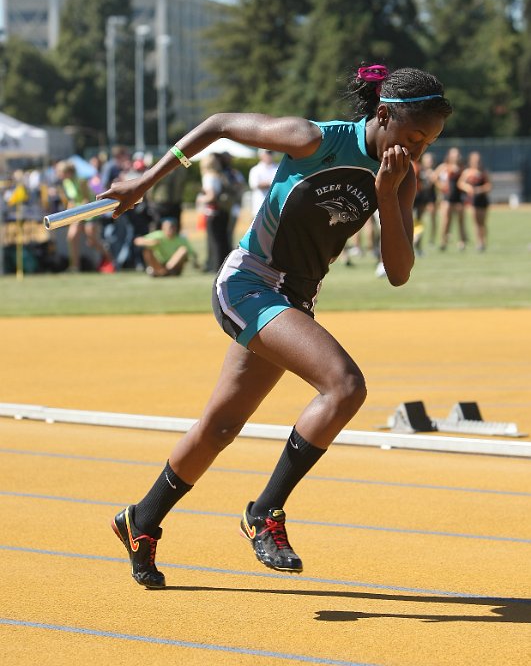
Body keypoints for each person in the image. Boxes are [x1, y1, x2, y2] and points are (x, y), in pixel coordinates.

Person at [98, 63, 452, 588]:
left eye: (429, 142)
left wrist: (388, 194)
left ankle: (141, 520)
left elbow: (398, 273)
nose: (418, 149)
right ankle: (265, 513)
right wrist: (146, 181)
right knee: (344, 385)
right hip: (248, 283)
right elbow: (219, 123)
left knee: (221, 426)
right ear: (384, 114)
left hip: (294, 299)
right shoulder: (313, 140)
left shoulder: (402, 177)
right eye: (414, 136)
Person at [59, 161, 114, 272]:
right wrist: (68, 214)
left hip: (89, 211)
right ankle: (75, 266)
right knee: (72, 237)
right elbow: (72, 200)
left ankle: (111, 261)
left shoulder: (81, 180)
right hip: (77, 212)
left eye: (61, 172)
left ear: (68, 172)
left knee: (92, 241)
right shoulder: (66, 182)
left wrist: (79, 212)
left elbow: (86, 199)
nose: (59, 175)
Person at [197, 153, 233, 273]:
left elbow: (211, 196)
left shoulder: (208, 177)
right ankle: (224, 265)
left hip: (213, 212)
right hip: (223, 211)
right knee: (223, 240)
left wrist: (200, 199)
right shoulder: (220, 175)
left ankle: (216, 266)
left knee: (215, 240)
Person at [134, 217, 198, 276]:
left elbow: (192, 254)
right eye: (168, 227)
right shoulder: (158, 235)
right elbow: (137, 241)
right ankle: (161, 271)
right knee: (147, 250)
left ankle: (163, 272)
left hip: (175, 267)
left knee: (183, 250)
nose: (170, 229)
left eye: (172, 227)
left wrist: (195, 264)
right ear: (163, 228)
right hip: (159, 263)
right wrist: (151, 243)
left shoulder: (181, 239)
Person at [458, 151, 492, 251]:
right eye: (474, 160)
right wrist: (468, 188)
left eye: (478, 160)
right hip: (472, 200)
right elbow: (460, 183)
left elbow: (489, 186)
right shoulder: (467, 172)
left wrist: (479, 190)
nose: (476, 162)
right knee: (476, 222)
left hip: (482, 199)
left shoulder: (484, 172)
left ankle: (483, 241)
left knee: (482, 222)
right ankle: (479, 243)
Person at [435, 147, 466, 250]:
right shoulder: (444, 167)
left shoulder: (461, 168)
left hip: (458, 196)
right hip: (447, 196)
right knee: (446, 220)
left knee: (461, 220)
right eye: (454, 155)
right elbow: (434, 177)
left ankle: (462, 241)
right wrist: (441, 186)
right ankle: (443, 241)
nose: (456, 157)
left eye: (457, 155)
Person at [248, 148, 278, 216]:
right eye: (267, 153)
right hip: (259, 206)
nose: (269, 155)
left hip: (275, 208)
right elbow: (255, 184)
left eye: (270, 153)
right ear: (261, 155)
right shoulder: (255, 170)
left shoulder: (278, 167)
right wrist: (272, 183)